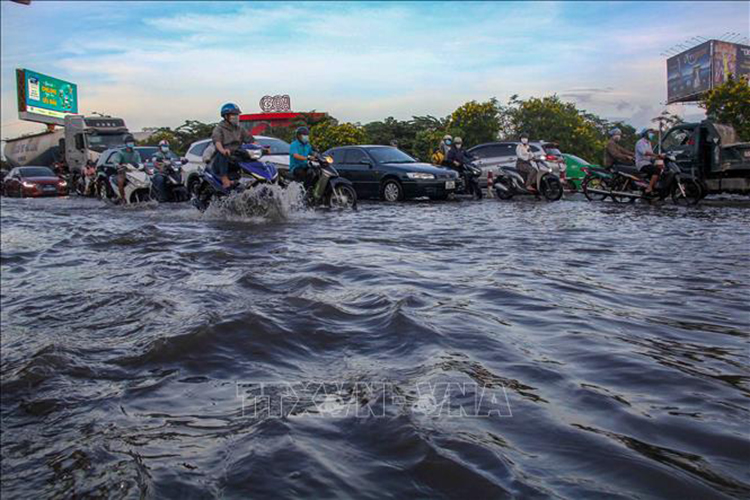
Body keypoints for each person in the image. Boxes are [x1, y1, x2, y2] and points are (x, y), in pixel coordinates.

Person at [211, 103, 253, 189]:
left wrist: (263, 148)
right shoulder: (219, 128)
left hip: (236, 156)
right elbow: (217, 142)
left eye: (237, 114)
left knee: (248, 155)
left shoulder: (240, 128)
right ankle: (224, 178)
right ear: (226, 116)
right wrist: (223, 150)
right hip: (222, 159)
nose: (236, 116)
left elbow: (251, 140)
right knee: (223, 154)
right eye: (234, 114)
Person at [110, 134, 142, 202]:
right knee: (120, 181)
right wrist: (118, 165)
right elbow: (115, 162)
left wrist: (142, 166)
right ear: (126, 143)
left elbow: (139, 162)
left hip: (135, 172)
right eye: (129, 142)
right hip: (123, 172)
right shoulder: (120, 152)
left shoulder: (136, 153)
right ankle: (123, 197)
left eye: (132, 142)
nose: (131, 143)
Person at [635, 128, 661, 195]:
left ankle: (653, 188)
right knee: (656, 170)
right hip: (642, 164)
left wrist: (659, 157)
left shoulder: (649, 143)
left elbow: (651, 155)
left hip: (648, 163)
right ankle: (649, 187)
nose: (652, 134)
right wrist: (656, 155)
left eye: (652, 133)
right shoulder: (640, 142)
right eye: (650, 132)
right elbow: (644, 152)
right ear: (645, 134)